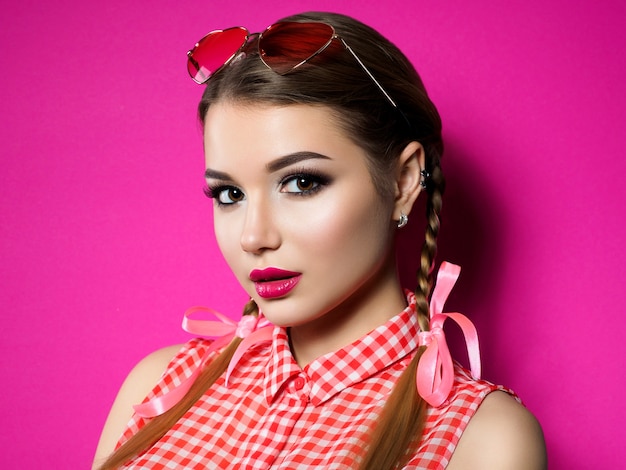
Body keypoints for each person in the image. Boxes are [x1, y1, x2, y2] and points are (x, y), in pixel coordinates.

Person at [93, 11, 546, 469]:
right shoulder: (159, 386)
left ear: (405, 180)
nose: (254, 236)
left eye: (302, 183)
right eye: (229, 194)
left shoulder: (481, 441)